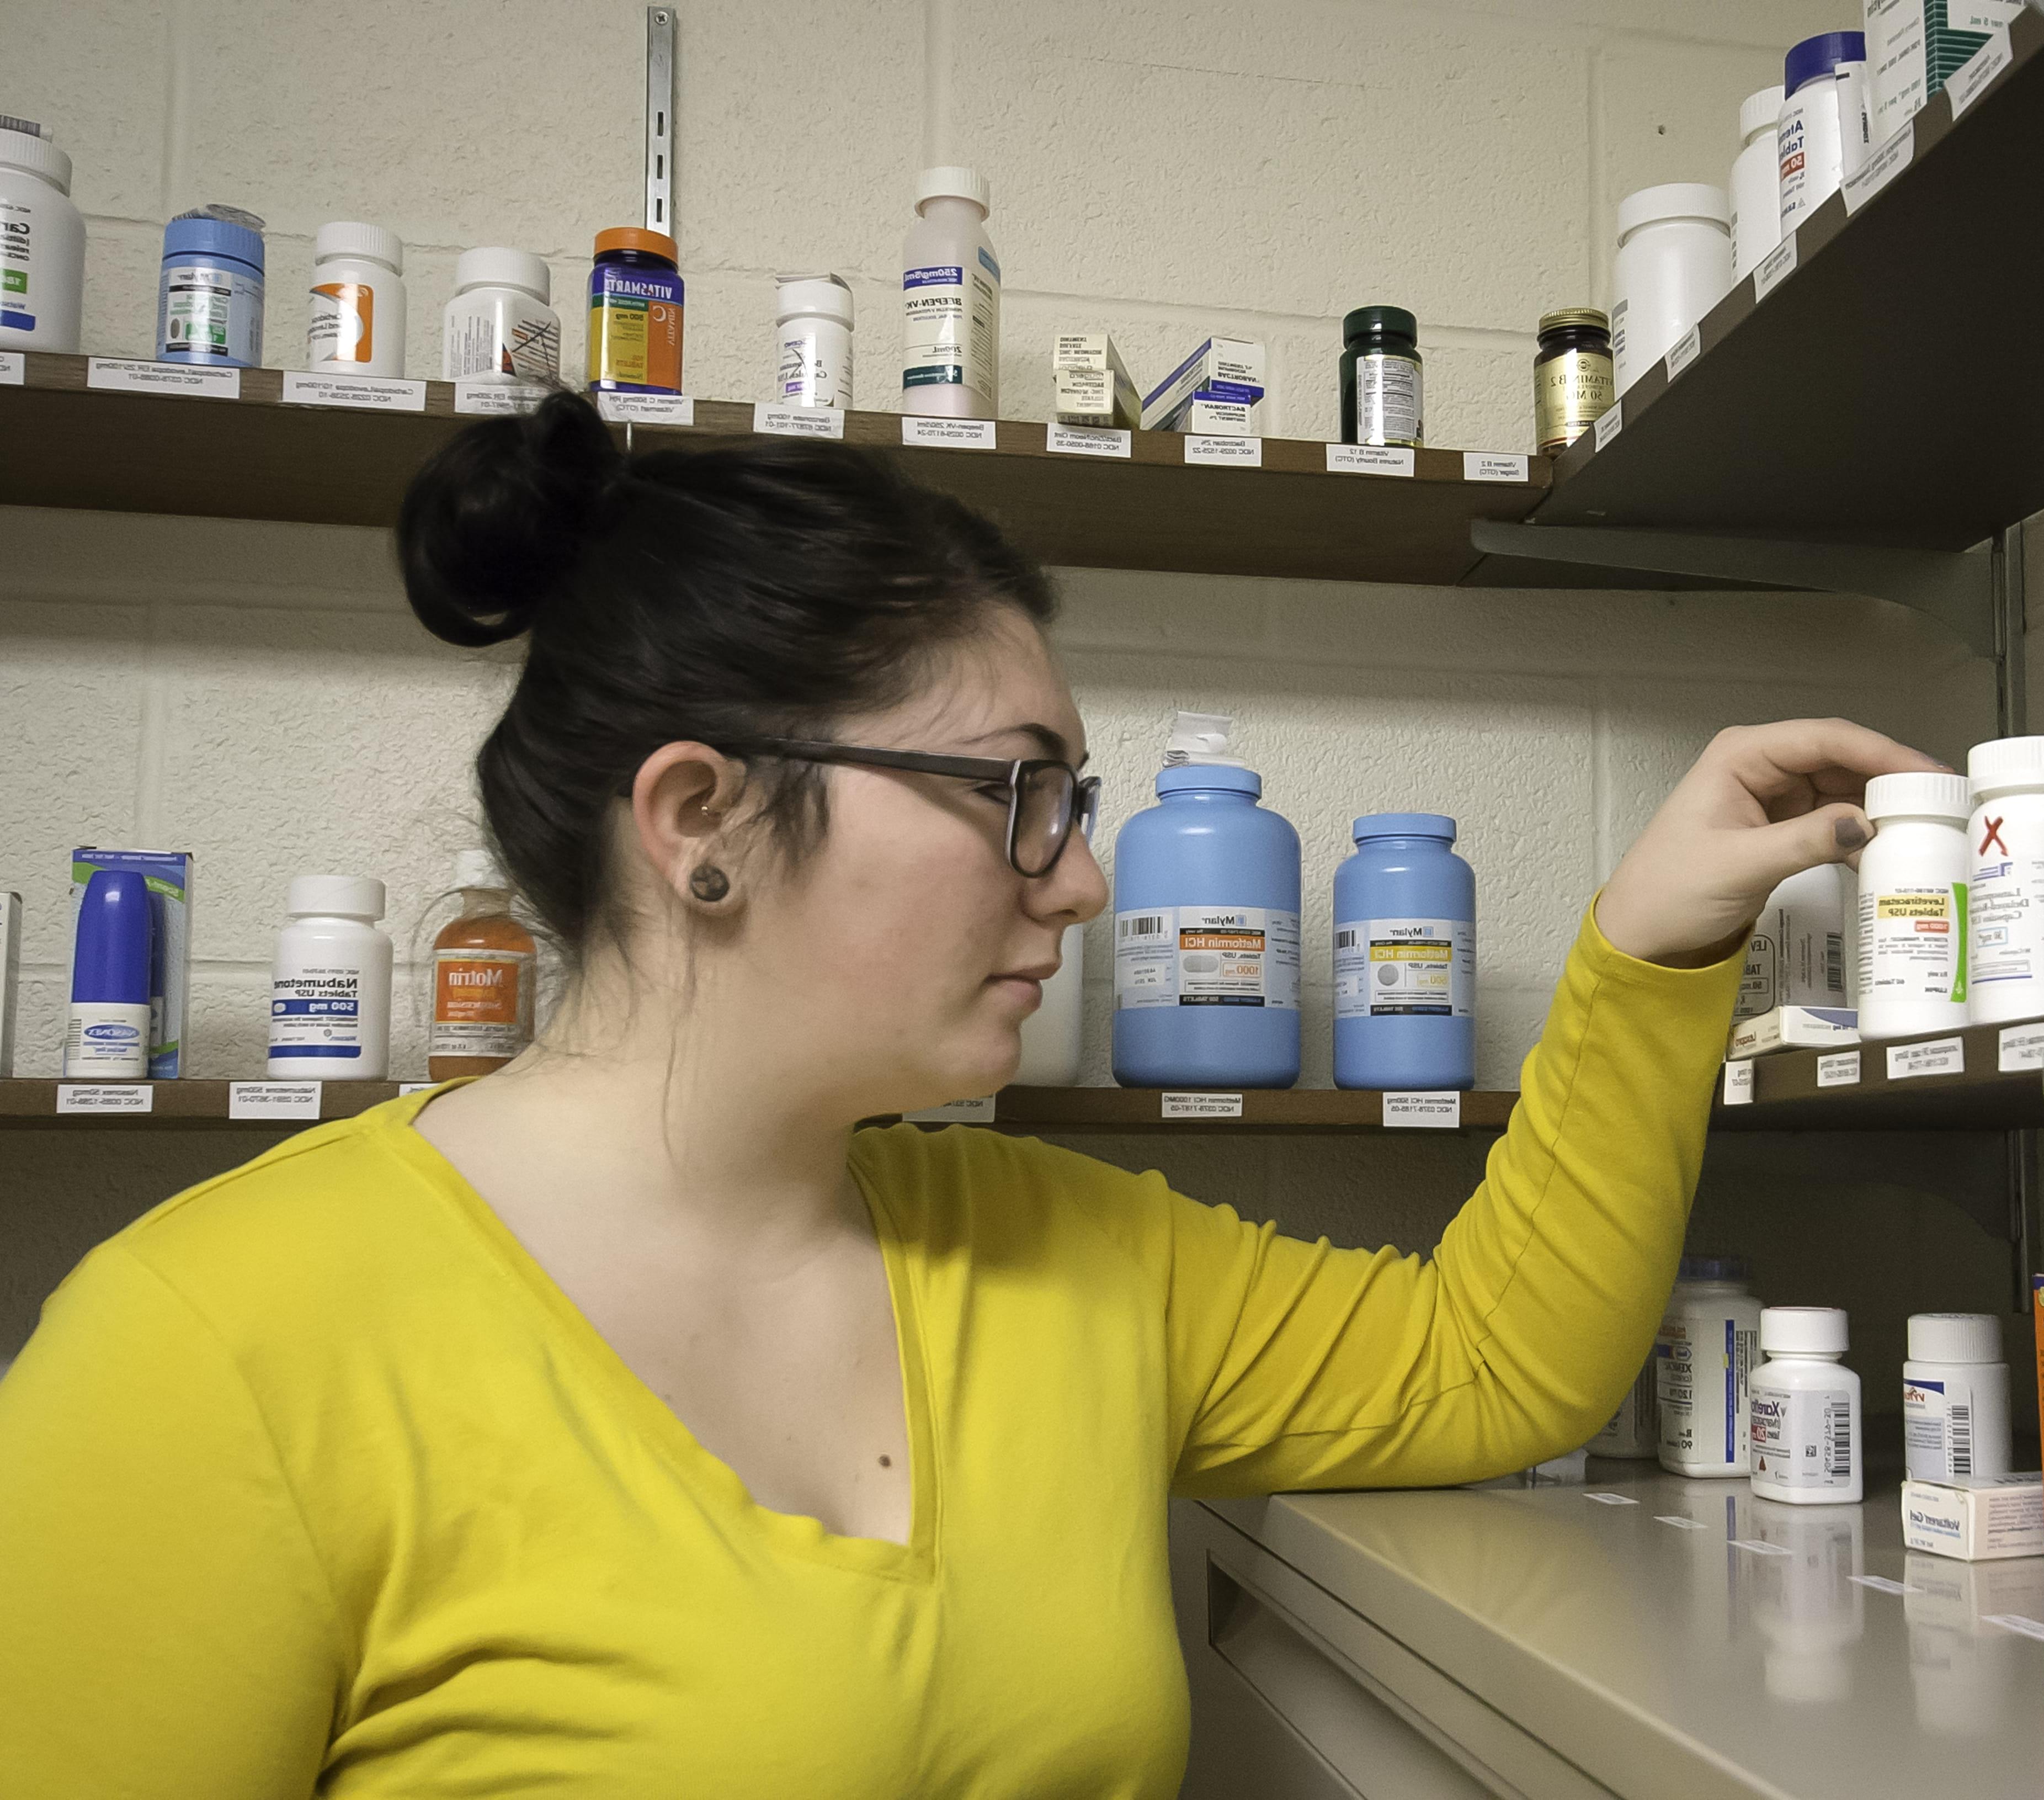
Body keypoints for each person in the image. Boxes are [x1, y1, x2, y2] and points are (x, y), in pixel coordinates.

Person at [0, 393, 1927, 1795]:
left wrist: (1652, 945)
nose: (1083, 880)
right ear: (704, 822)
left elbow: (1494, 1368)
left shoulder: (1060, 1257)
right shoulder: (210, 1353)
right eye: (1020, 796)